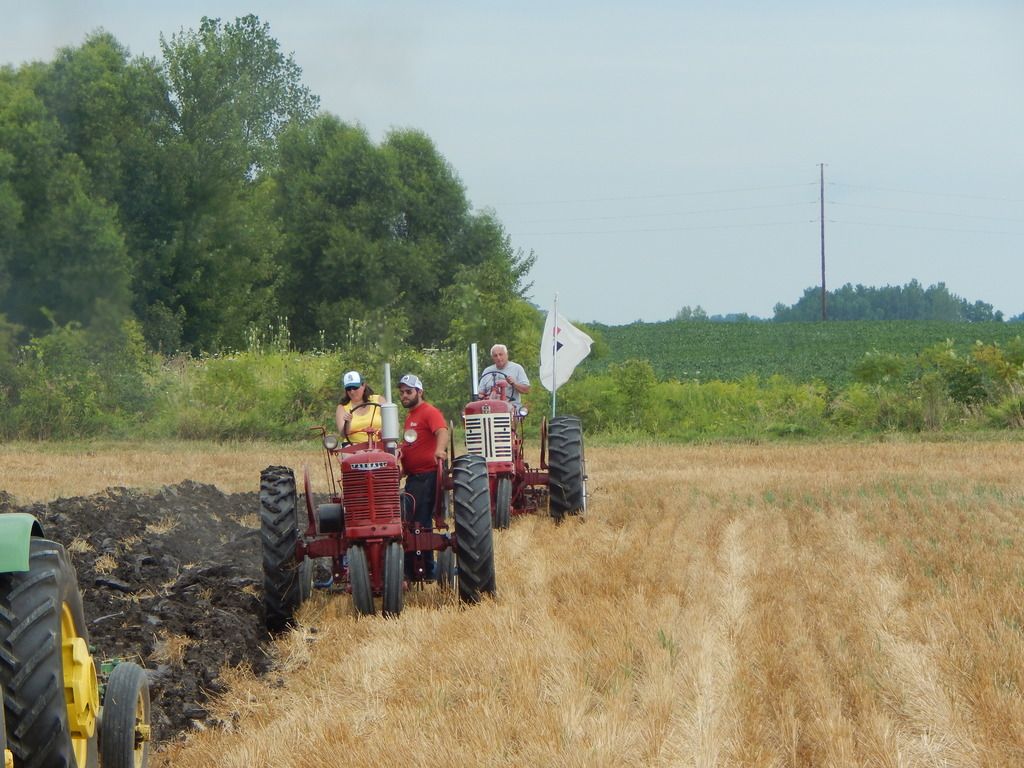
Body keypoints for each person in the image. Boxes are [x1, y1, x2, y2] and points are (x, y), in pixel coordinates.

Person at [396, 373, 449, 529]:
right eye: (402, 392)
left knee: (419, 523)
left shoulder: (429, 412)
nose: (404, 396)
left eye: (408, 392)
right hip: (414, 478)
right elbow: (413, 445)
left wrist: (439, 450)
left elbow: (442, 431)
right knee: (411, 521)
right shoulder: (410, 416)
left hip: (426, 477)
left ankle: (422, 552)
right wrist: (404, 469)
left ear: (419, 392)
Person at [335, 370, 386, 444]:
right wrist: (347, 423)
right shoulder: (342, 407)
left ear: (363, 385)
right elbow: (343, 434)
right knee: (350, 455)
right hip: (353, 446)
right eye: (348, 389)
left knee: (394, 451)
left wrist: (384, 432)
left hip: (379, 444)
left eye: (355, 387)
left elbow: (391, 422)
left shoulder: (379, 400)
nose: (352, 392)